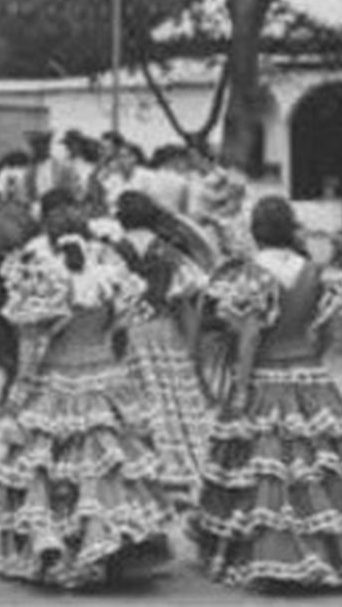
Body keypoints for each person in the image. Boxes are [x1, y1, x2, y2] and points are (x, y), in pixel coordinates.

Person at [0, 188, 175, 589]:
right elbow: (121, 334)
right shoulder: (111, 276)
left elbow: (31, 345)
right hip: (105, 378)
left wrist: (18, 394)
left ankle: (62, 551)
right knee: (105, 468)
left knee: (49, 469)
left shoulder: (41, 279)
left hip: (56, 380)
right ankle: (115, 549)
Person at [195, 196, 342, 590]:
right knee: (314, 465)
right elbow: (326, 331)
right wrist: (310, 361)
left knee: (266, 464)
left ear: (255, 230)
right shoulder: (317, 271)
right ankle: (331, 553)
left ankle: (273, 554)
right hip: (307, 374)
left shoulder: (251, 274)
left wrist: (240, 386)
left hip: (265, 374)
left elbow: (249, 336)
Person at [112, 191, 211, 505]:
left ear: (120, 218)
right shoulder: (172, 254)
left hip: (123, 333)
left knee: (130, 403)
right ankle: (176, 473)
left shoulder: (110, 255)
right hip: (164, 332)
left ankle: (139, 473)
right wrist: (193, 349)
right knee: (170, 401)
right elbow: (189, 305)